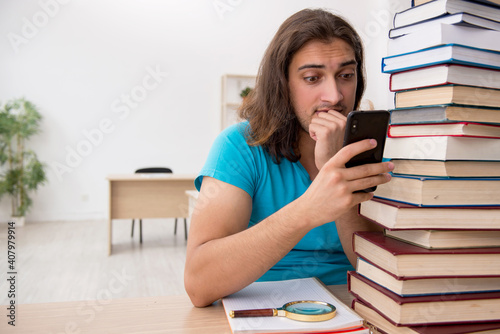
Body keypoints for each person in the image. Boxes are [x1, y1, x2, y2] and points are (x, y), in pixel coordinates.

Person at [184, 8, 393, 307]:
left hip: (354, 303)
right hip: (265, 306)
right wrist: (309, 208)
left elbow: (381, 273)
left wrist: (338, 168)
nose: (334, 96)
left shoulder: (373, 147)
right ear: (282, 83)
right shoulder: (237, 146)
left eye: (346, 76)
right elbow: (198, 285)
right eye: (312, 78)